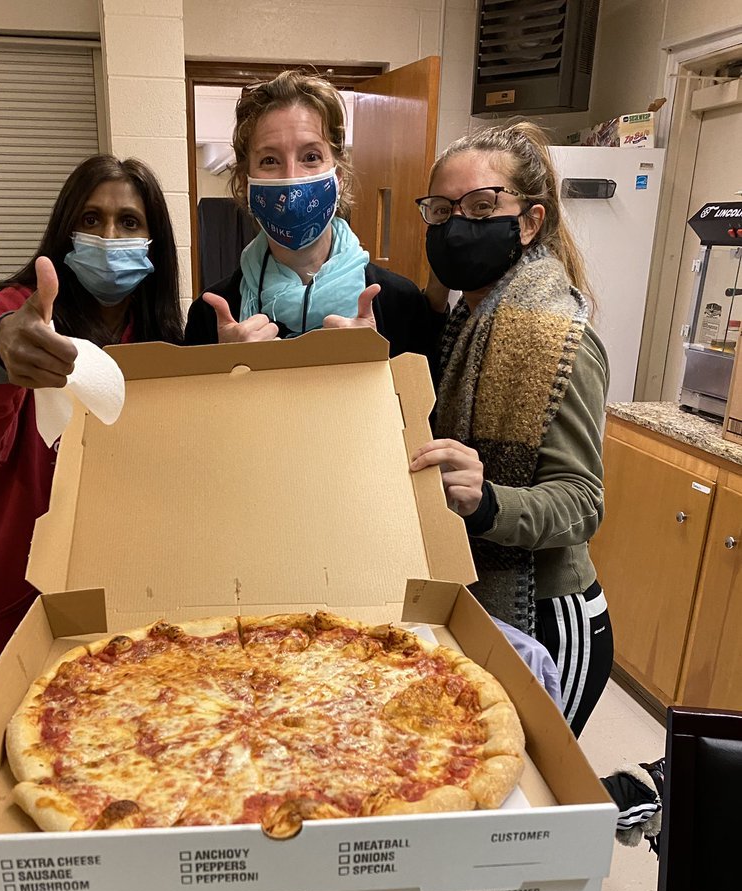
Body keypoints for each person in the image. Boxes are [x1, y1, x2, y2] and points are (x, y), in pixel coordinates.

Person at [0, 155, 183, 695]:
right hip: (20, 612)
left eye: (129, 222)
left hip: (133, 611)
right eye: (90, 219)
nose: (108, 237)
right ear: (65, 231)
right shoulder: (20, 318)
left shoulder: (163, 340)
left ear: (153, 242)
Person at [409, 122, 613, 737]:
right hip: (474, 598)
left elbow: (582, 503)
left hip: (548, 618)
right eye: (442, 210)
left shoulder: (556, 338)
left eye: (480, 207)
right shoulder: (462, 324)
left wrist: (487, 501)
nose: (456, 226)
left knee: (524, 787)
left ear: (529, 221)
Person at [184, 70, 435, 361]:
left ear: (338, 177)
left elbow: (421, 392)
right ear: (245, 183)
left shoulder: (399, 303)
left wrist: (372, 367)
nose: (292, 178)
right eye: (270, 160)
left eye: (311, 157)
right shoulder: (214, 316)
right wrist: (225, 367)